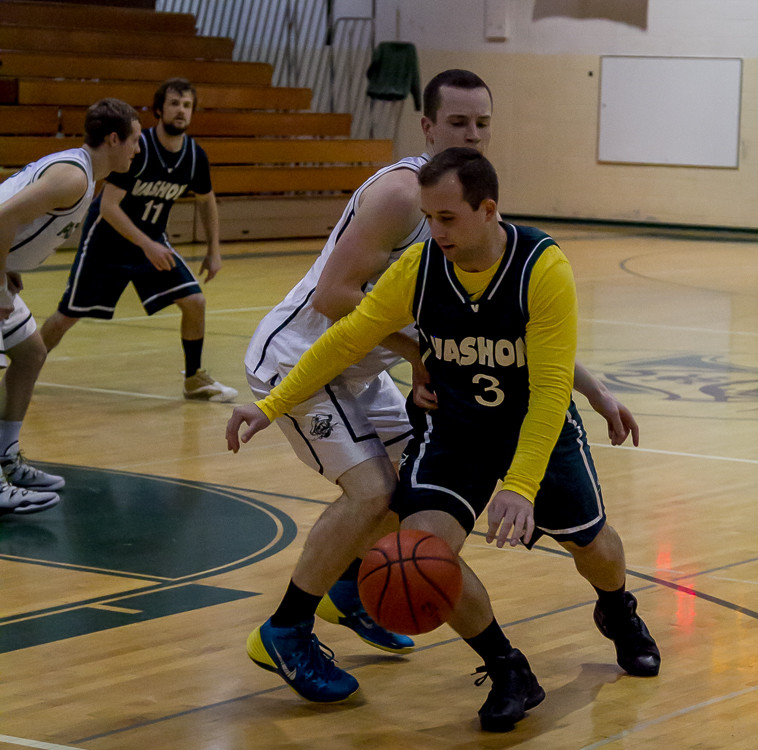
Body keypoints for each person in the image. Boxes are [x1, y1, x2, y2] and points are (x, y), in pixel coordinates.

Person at [228, 70, 639, 705]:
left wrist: (596, 391)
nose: (473, 136)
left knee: (401, 514)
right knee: (380, 500)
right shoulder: (406, 199)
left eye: (482, 124)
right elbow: (339, 308)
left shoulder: (487, 224)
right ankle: (286, 628)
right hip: (299, 360)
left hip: (379, 374)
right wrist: (425, 355)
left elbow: (535, 349)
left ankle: (356, 587)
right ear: (426, 127)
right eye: (457, 124)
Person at [41, 78, 237, 403]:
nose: (181, 111)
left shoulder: (194, 156)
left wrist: (213, 250)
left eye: (187, 105)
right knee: (67, 315)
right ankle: (24, 363)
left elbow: (207, 200)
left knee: (195, 302)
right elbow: (107, 206)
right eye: (174, 103)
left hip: (151, 243)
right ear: (159, 110)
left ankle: (194, 379)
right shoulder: (137, 147)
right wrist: (148, 244)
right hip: (106, 241)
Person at [0, 97, 142, 515]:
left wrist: (6, 265)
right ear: (113, 139)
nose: (137, 149)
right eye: (133, 140)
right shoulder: (74, 178)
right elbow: (2, 218)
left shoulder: (82, 174)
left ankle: (6, 455)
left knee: (30, 352)